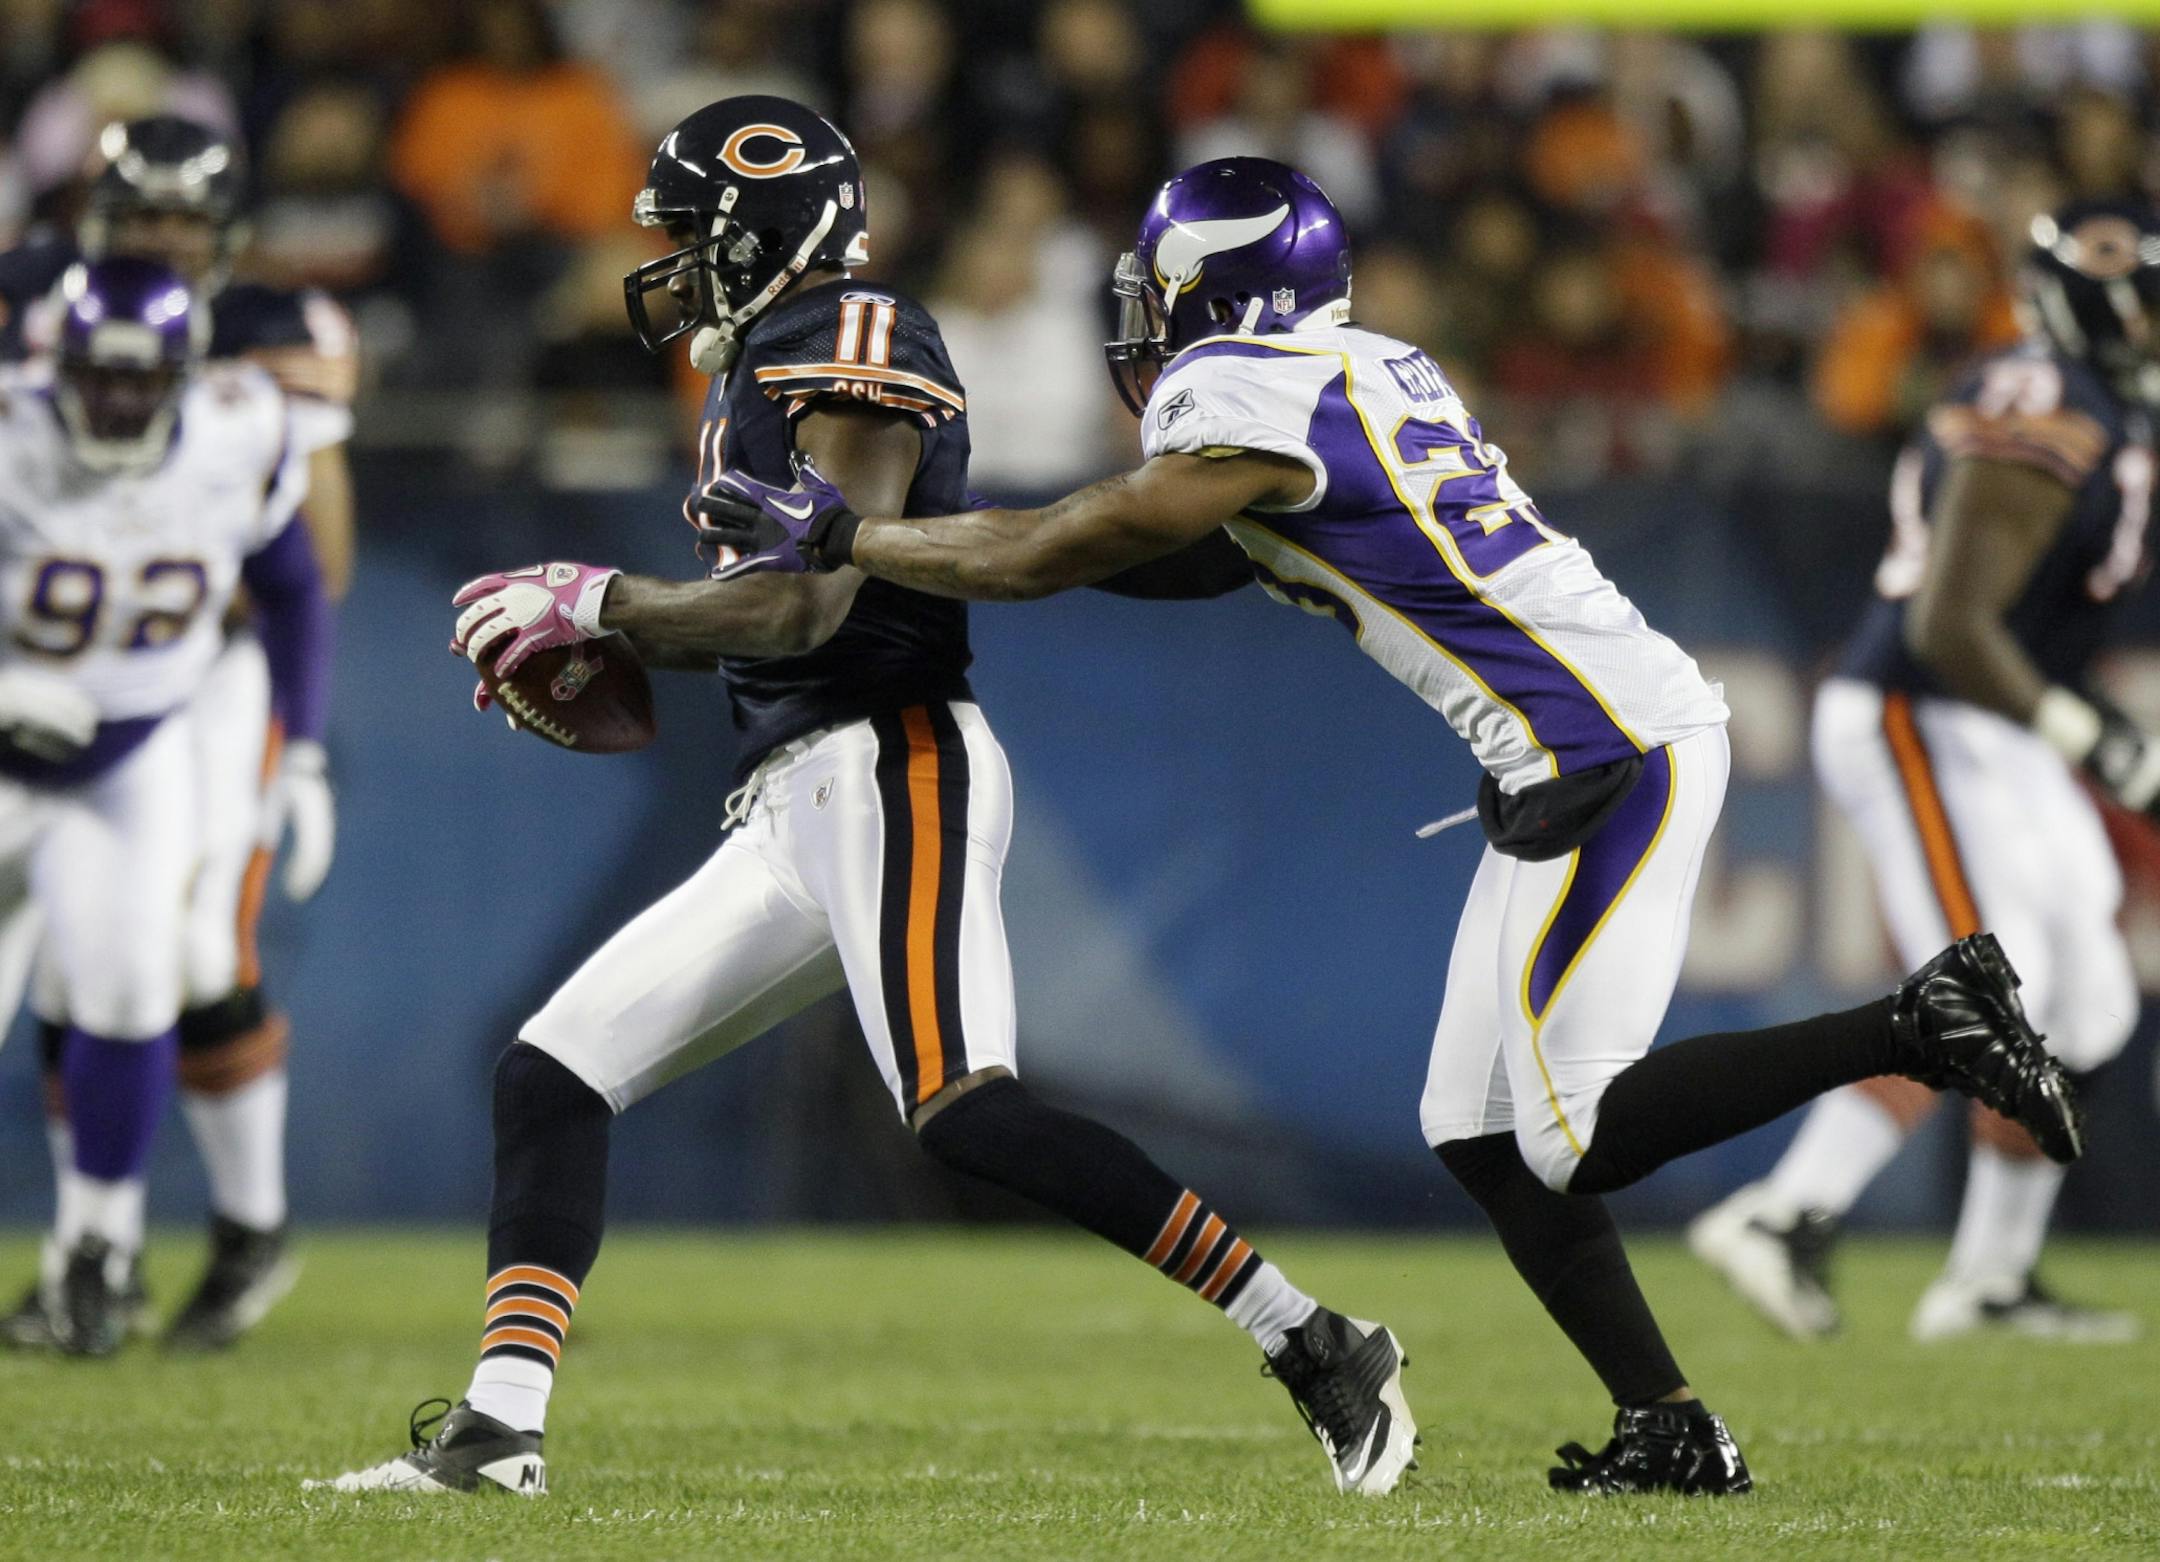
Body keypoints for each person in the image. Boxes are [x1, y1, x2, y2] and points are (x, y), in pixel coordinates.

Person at [695, 157, 2086, 1493]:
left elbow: (1078, 541)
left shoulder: (1235, 388)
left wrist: (855, 537)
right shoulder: (1356, 368)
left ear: (1217, 288)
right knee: (1474, 1127)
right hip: (1578, 741)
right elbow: (1182, 559)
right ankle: (1666, 1421)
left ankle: (1920, 1022)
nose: (1145, 311)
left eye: (1164, 282)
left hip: (1606, 745)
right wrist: (947, 546)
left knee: (1572, 1135)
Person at [312, 100, 1412, 1501]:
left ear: (768, 233)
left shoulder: (855, 337)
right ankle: (497, 1431)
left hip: (893, 762)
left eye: (700, 238)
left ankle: (1313, 1336)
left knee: (963, 1105)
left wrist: (607, 604)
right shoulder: (762, 359)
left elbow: (804, 600)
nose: (679, 268)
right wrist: (624, 622)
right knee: (552, 1073)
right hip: (794, 798)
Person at [1690, 201, 2157, 1345]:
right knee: (1996, 986)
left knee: (2089, 997)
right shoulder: (2047, 403)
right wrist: (2084, 729)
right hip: (1924, 707)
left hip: (1991, 721)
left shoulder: (2083, 398)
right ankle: (1784, 1212)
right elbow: (1952, 620)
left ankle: (1989, 1278)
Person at [0, 115, 351, 1352]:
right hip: (27, 689)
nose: (159, 239)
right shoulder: (19, 378)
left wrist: (295, 744)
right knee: (61, 973)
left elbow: (310, 569)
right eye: (136, 215)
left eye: (182, 220)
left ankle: (141, 1243)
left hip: (169, 690)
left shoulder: (252, 397)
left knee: (161, 960)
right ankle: (94, 1253)